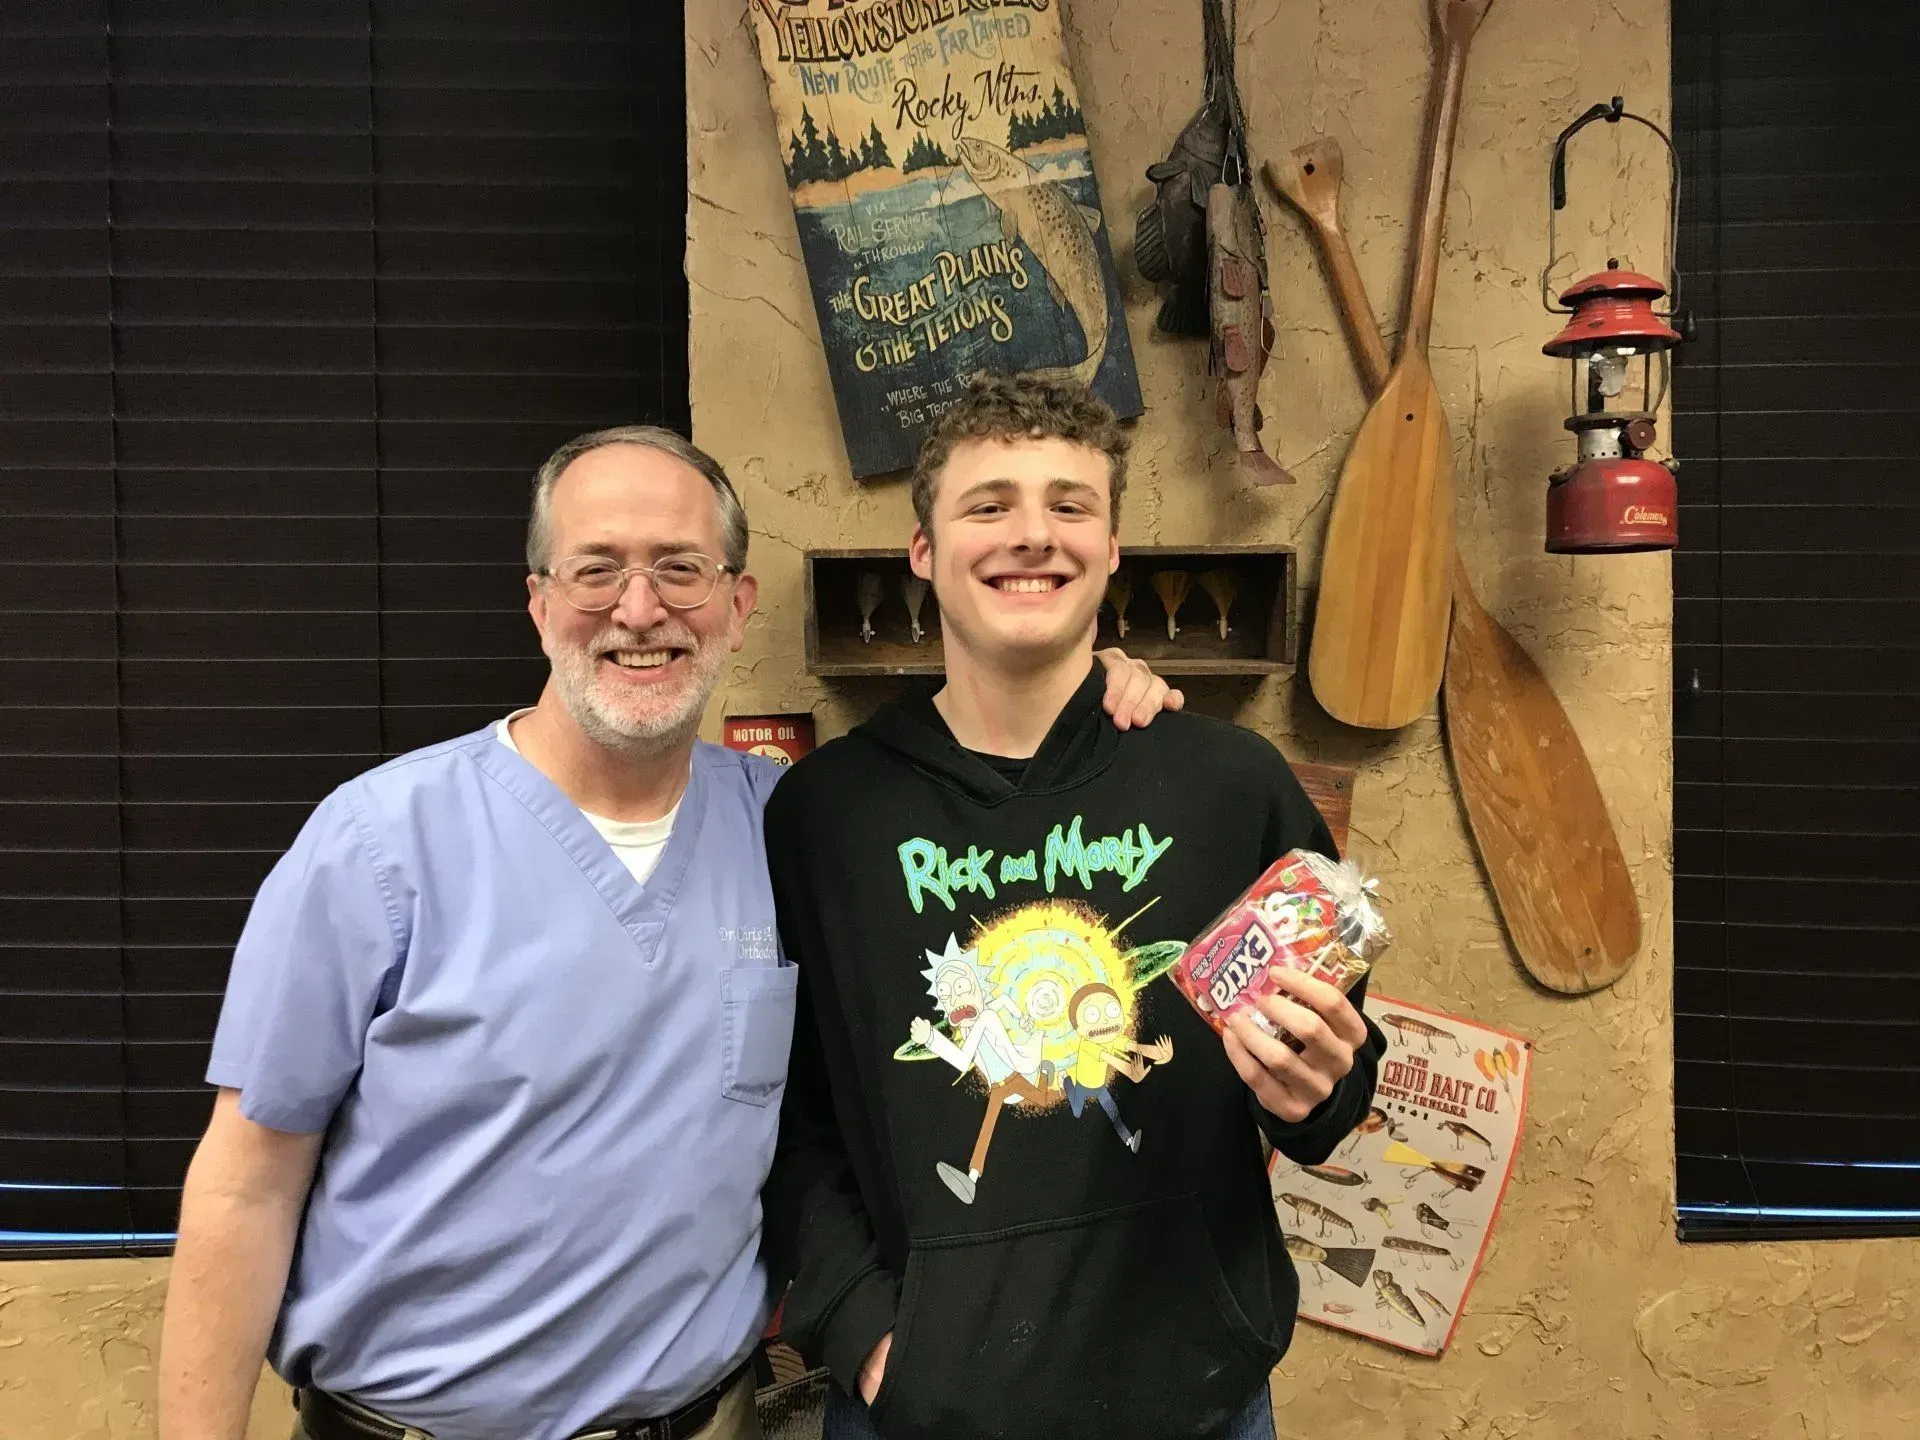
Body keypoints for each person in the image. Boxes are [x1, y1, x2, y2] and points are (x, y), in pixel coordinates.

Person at [155, 423, 1180, 1440]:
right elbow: (246, 1185)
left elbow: (982, 884)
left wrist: (1092, 685)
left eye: (680, 570)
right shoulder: (380, 845)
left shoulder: (794, 826)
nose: (639, 610)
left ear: (738, 605)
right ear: (539, 601)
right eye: (596, 570)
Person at [761, 375, 1389, 1440]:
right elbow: (791, 1118)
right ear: (923, 551)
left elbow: (1337, 1073)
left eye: (1069, 505)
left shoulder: (1232, 785)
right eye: (989, 503)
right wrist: (862, 1329)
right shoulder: (824, 814)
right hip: (918, 1405)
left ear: (1111, 552)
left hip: (1197, 1399)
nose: (1032, 536)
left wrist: (1318, 1089)